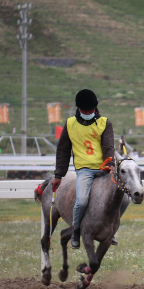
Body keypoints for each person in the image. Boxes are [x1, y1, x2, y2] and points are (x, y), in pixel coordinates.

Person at [52, 89, 127, 249]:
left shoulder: (104, 123)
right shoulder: (70, 124)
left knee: (125, 199)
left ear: (96, 107)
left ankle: (111, 230)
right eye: (85, 110)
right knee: (82, 201)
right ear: (78, 108)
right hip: (84, 170)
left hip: (105, 169)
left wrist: (110, 165)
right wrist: (59, 174)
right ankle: (76, 230)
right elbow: (63, 150)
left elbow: (108, 146)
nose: (88, 112)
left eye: (91, 110)